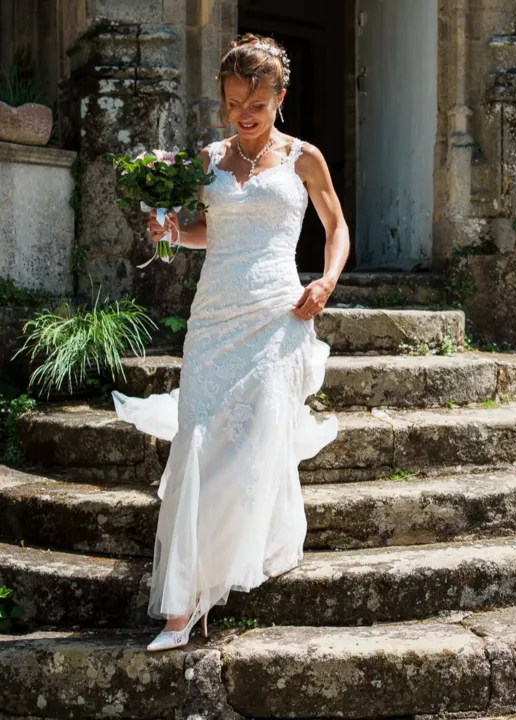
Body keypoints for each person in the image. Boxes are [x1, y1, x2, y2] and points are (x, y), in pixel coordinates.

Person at [110, 33, 350, 652]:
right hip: (214, 314)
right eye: (234, 102)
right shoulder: (207, 159)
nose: (244, 114)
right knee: (196, 439)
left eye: (257, 103)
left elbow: (336, 227)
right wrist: (166, 230)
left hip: (276, 312)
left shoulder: (304, 158)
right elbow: (199, 236)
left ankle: (189, 602)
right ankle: (188, 590)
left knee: (249, 438)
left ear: (280, 98)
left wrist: (325, 280)